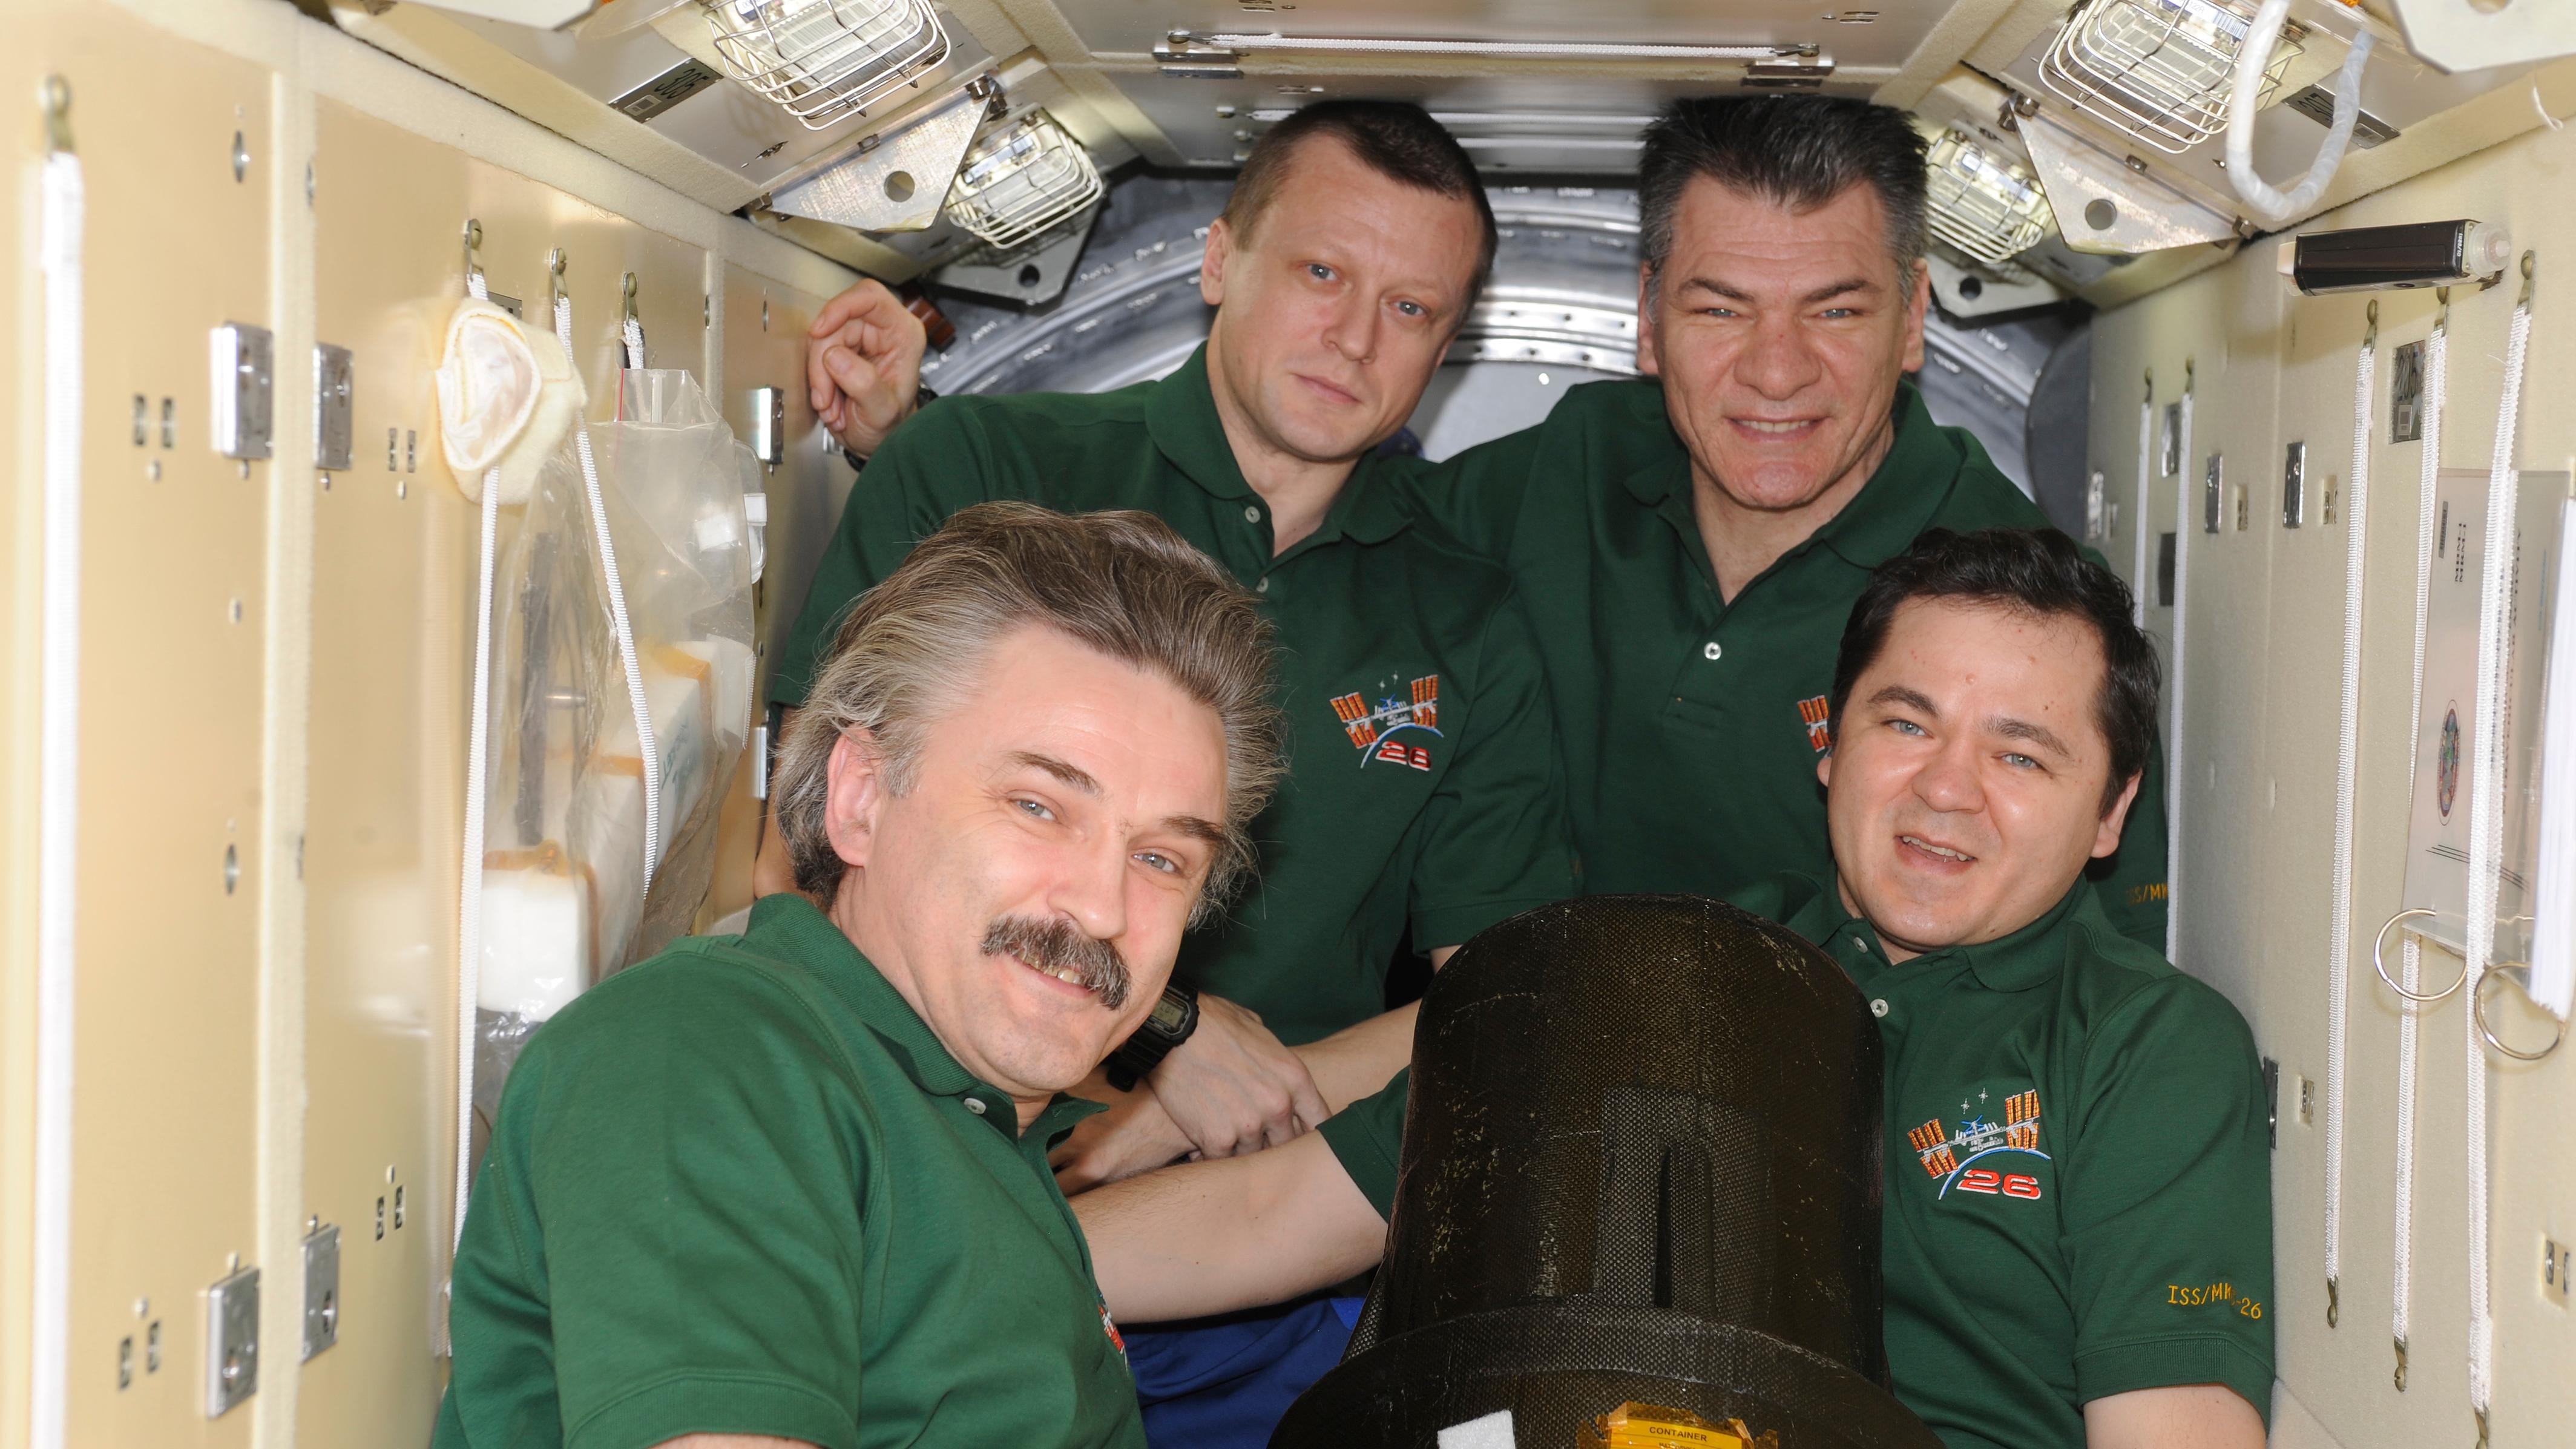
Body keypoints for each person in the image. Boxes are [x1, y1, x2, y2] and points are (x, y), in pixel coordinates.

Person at [1077, 528, 2272, 1449]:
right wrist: (973, 1240)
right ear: (1830, 744)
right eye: (1907, 724)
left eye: (2020, 754)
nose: (1947, 789)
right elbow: (1272, 1213)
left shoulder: (2145, 1046)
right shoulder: (1662, 964)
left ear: (2111, 812)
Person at [764, 99, 1573, 1186]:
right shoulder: (979, 470)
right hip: (932, 1134)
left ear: (1447, 340)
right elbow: (803, 855)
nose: (1356, 339)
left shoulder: (1467, 614)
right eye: (1321, 273)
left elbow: (1504, 998)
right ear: (1218, 261)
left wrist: (1227, 1102)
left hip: (1267, 1178)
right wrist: (1165, 1038)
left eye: (1411, 306)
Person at [433, 502, 1285, 1449]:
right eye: (1039, 806)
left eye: (1162, 858)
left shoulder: (974, 1123)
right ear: (861, 797)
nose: (1103, 907)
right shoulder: (711, 1053)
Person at [1397, 94, 2172, 950]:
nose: (1776, 373)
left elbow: (2100, 974)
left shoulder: (2033, 612)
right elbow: (1327, 557)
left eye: (1834, 311)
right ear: (1650, 319)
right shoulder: (1566, 467)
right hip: (1543, 1016)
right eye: (1721, 310)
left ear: (1912, 318)